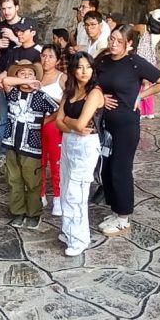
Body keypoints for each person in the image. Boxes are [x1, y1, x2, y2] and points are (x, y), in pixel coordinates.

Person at [93, 25, 160, 237]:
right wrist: (100, 96)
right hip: (105, 123)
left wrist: (141, 96)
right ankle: (115, 210)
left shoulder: (135, 62)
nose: (114, 44)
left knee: (120, 169)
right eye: (112, 39)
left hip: (126, 124)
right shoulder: (103, 61)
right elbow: (94, 83)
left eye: (119, 41)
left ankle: (123, 217)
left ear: (129, 44)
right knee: (107, 168)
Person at [0, 44, 67, 215]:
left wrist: (46, 121)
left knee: (32, 180)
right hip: (11, 143)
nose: (27, 77)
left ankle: (33, 212)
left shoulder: (40, 96)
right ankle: (17, 211)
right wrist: (26, 81)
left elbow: (60, 107)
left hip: (31, 145)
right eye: (22, 73)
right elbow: (5, 81)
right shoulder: (13, 93)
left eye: (30, 74)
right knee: (14, 179)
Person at [56, 52, 103, 256]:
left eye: (88, 67)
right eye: (80, 67)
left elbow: (81, 123)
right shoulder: (70, 91)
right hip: (69, 141)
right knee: (65, 187)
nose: (84, 71)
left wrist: (68, 121)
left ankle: (79, 238)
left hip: (86, 144)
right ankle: (69, 231)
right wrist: (71, 124)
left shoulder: (95, 93)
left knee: (77, 191)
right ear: (73, 70)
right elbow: (58, 122)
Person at [0, 18, 42, 169]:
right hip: (9, 92)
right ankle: (5, 153)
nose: (19, 33)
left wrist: (10, 80)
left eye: (23, 31)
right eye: (18, 30)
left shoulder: (39, 52)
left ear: (33, 32)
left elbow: (38, 78)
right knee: (5, 121)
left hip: (27, 97)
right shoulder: (15, 51)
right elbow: (9, 70)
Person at [0, 0, 30, 167]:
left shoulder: (27, 24)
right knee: (4, 117)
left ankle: (23, 152)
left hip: (20, 77)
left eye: (9, 8)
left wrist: (14, 38)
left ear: (17, 7)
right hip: (1, 77)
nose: (6, 12)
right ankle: (4, 153)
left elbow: (32, 49)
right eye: (3, 9)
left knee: (22, 115)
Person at [136, 10, 160, 119]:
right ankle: (149, 112)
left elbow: (132, 27)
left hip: (142, 61)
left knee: (140, 86)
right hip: (152, 61)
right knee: (150, 87)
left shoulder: (143, 28)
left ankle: (140, 110)